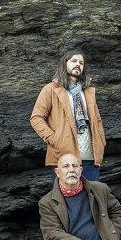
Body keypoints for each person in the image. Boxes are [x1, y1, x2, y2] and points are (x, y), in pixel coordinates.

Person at [31, 50, 106, 181]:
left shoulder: (87, 92)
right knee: (65, 200)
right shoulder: (51, 89)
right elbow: (36, 118)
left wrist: (101, 142)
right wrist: (55, 140)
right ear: (64, 64)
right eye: (74, 61)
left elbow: (97, 121)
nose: (78, 65)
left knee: (93, 199)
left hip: (90, 158)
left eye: (81, 63)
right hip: (63, 157)